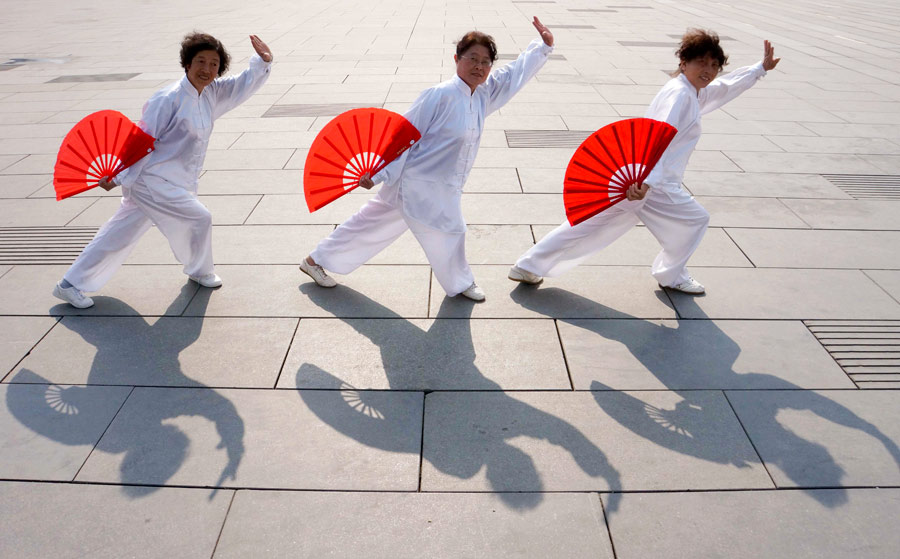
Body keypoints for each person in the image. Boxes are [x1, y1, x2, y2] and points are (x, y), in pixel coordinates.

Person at [299, 17, 555, 302]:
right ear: (456, 58)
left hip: (438, 183)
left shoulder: (483, 94)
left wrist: (541, 48)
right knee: (452, 229)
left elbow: (513, 76)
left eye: (485, 61)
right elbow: (404, 134)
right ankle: (460, 283)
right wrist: (379, 172)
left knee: (369, 223)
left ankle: (314, 261)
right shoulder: (439, 95)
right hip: (420, 182)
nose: (479, 66)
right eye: (472, 58)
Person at [509, 30, 781, 294]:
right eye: (702, 62)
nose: (708, 70)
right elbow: (658, 138)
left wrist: (760, 69)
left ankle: (528, 264)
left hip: (642, 178)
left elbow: (723, 88)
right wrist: (647, 182)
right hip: (654, 183)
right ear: (684, 63)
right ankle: (671, 275)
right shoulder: (682, 96)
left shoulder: (690, 90)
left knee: (590, 221)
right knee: (696, 219)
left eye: (714, 65)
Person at [52, 33, 273, 309]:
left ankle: (69, 285)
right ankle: (200, 269)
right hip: (151, 180)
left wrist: (261, 62)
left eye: (214, 64)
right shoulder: (167, 99)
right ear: (187, 63)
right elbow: (141, 140)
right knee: (200, 217)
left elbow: (242, 86)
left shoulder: (211, 94)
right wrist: (118, 175)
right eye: (200, 61)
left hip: (176, 181)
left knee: (119, 233)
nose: (207, 69)